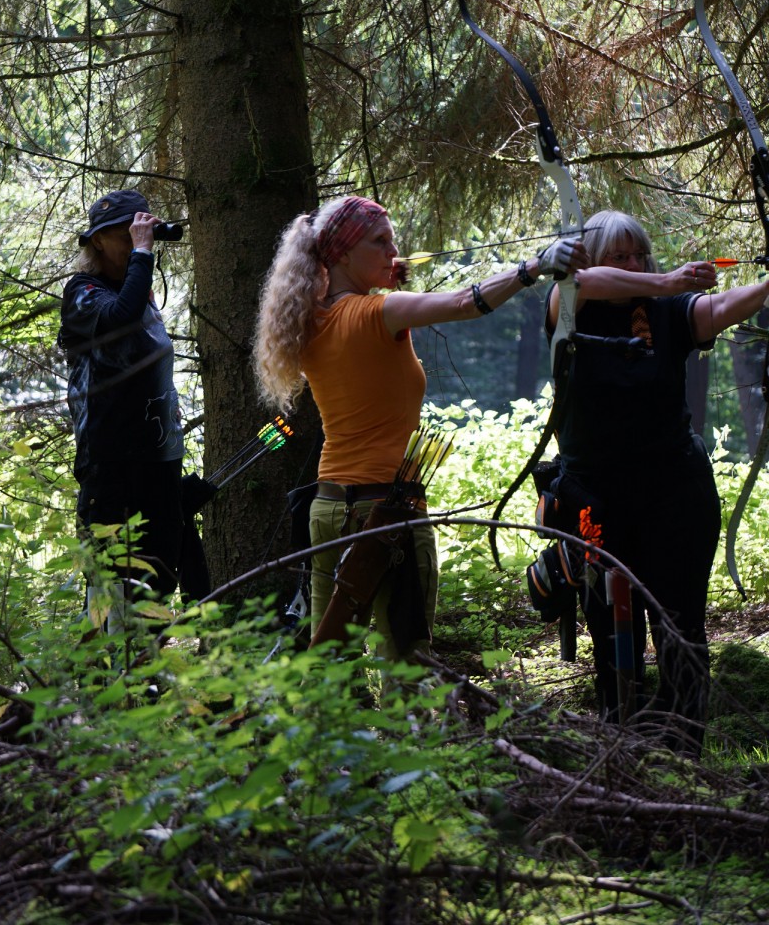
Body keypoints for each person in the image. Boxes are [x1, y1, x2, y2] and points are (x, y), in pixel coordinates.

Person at [253, 194, 587, 666]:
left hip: (327, 509)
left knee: (329, 665)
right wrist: (534, 267)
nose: (394, 251)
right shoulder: (379, 313)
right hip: (387, 512)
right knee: (408, 664)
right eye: (379, 241)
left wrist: (379, 276)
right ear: (342, 253)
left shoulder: (310, 320)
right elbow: (465, 303)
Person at [546, 208, 769, 754]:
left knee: (681, 623)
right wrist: (667, 279)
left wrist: (767, 285)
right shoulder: (569, 304)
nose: (632, 264)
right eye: (618, 256)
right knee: (609, 625)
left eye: (638, 255)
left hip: (675, 494)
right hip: (596, 498)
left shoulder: (666, 310)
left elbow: (718, 308)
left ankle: (684, 752)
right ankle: (620, 742)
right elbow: (580, 282)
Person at [59, 189, 190, 626]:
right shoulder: (82, 291)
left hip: (159, 462)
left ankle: (149, 664)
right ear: (97, 241)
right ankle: (110, 666)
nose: (135, 243)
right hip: (111, 465)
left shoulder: (142, 295)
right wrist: (143, 253)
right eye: (126, 236)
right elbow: (118, 319)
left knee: (159, 578)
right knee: (112, 581)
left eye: (141, 233)